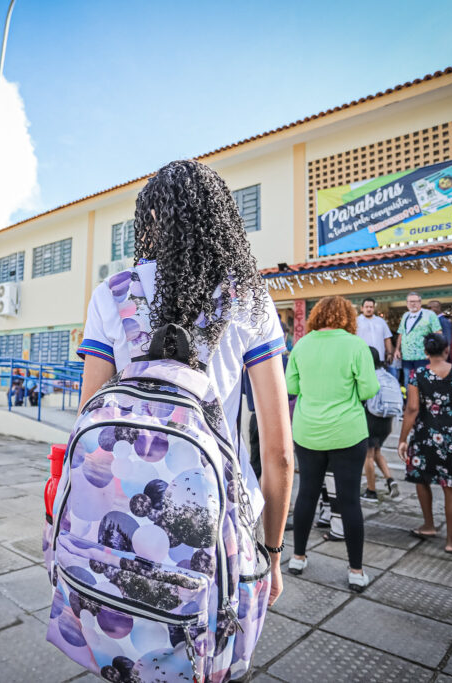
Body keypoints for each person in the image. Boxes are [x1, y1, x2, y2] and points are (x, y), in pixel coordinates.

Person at [75, 160, 293, 606]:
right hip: (220, 512)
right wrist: (271, 553)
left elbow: (87, 416)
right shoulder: (248, 299)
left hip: (125, 507)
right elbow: (279, 453)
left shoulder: (112, 293)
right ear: (220, 219)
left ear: (150, 219)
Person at [286, 295, 379, 592]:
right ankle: (355, 571)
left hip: (308, 431)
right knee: (350, 500)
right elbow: (368, 389)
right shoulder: (356, 345)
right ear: (349, 317)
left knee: (307, 495)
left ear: (317, 316)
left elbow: (291, 387)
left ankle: (298, 557)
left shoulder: (302, 344)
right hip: (347, 432)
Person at [397, 333, 452, 553]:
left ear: (426, 352)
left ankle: (428, 524)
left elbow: (413, 409)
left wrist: (402, 438)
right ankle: (451, 542)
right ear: (447, 350)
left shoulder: (418, 374)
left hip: (426, 432)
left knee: (422, 478)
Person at [361, 346, 401, 503]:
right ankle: (390, 480)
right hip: (387, 420)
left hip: (372, 418)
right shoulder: (387, 375)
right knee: (377, 452)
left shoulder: (368, 376)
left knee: (368, 455)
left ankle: (371, 491)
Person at [393, 291, 442, 382]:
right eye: (410, 301)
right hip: (407, 357)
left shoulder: (430, 314)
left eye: (415, 301)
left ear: (420, 302)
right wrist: (397, 349)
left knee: (424, 383)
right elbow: (401, 333)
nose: (413, 304)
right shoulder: (405, 315)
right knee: (408, 384)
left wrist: (433, 352)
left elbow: (438, 334)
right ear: (407, 303)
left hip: (423, 357)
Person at [356, 297, 393, 362]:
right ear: (362, 308)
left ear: (374, 308)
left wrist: (389, 353)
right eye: (366, 307)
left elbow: (387, 338)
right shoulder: (356, 322)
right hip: (362, 359)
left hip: (380, 358)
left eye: (371, 307)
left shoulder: (381, 321)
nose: (369, 309)